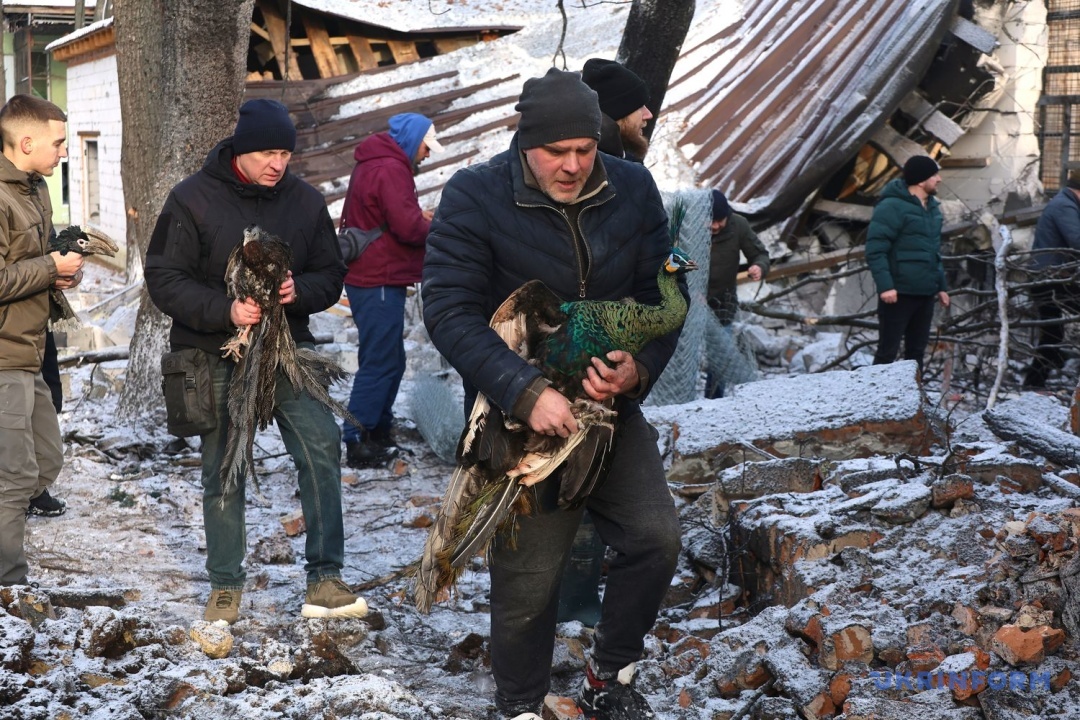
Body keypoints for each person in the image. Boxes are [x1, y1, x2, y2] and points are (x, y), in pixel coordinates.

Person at [423, 68, 684, 720]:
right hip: (521, 418)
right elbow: (449, 311)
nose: (572, 165)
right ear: (525, 142)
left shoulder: (633, 188)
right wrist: (524, 390)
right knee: (529, 581)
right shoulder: (475, 194)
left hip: (607, 408)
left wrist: (638, 369)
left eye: (584, 150)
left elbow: (662, 297)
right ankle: (519, 704)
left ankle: (609, 675)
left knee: (656, 538)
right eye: (556, 152)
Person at [145, 98, 366, 623]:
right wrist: (225, 310)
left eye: (285, 154)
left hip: (288, 349)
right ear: (241, 150)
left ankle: (325, 577)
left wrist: (299, 290)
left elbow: (330, 272)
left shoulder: (305, 201)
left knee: (321, 444)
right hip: (215, 351)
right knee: (225, 465)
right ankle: (225, 584)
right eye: (268, 153)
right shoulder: (191, 199)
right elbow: (163, 277)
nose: (278, 164)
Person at [0, 94, 82, 586]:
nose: (64, 152)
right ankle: (9, 586)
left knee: (45, 461)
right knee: (13, 477)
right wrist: (50, 267)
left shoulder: (35, 188)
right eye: (58, 143)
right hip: (3, 357)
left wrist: (61, 271)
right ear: (26, 142)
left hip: (31, 349)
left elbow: (32, 261)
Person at [340, 112, 441, 468]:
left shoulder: (379, 162)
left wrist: (417, 217)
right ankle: (357, 437)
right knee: (381, 360)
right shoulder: (391, 168)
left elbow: (391, 215)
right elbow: (408, 228)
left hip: (375, 274)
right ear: (413, 141)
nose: (428, 154)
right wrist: (439, 225)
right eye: (427, 147)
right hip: (377, 277)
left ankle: (378, 429)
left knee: (390, 359)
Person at [865, 155, 950, 374]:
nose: (939, 179)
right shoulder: (891, 207)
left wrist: (941, 286)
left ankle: (914, 395)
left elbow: (933, 251)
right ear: (921, 180)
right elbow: (876, 250)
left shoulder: (932, 208)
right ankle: (874, 393)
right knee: (887, 352)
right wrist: (886, 286)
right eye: (934, 175)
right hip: (898, 293)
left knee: (916, 353)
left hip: (925, 293)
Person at [704, 189, 770, 398]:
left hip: (722, 304)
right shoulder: (687, 226)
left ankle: (713, 401)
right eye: (711, 221)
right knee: (681, 356)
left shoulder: (739, 225)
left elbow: (760, 254)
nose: (716, 226)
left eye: (720, 221)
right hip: (688, 303)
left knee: (720, 357)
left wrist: (759, 267)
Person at [1022, 169, 1080, 388]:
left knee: (1052, 334)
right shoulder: (1065, 206)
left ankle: (1037, 380)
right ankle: (1034, 383)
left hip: (1050, 278)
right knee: (1052, 334)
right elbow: (1077, 240)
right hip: (1049, 280)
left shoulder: (1066, 203)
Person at [581, 58, 653, 162]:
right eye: (639, 107)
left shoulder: (624, 162)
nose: (649, 114)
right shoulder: (594, 167)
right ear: (617, 112)